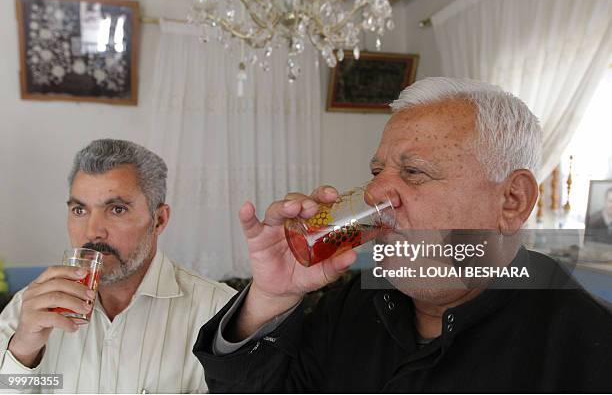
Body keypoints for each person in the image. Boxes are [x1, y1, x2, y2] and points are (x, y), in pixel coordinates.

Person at [192, 77, 612, 392]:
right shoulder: (351, 305)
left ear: (512, 201)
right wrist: (272, 297)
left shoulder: (587, 343)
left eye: (414, 172)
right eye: (377, 172)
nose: (374, 192)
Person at [0, 139, 235, 393]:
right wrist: (22, 352)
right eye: (79, 210)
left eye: (117, 209)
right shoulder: (28, 308)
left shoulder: (221, 313)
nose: (92, 232)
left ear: (159, 220)